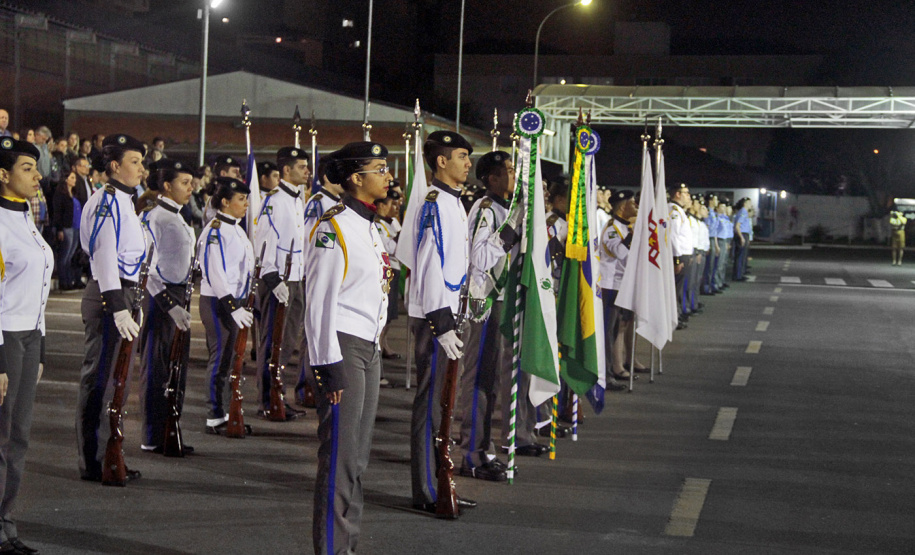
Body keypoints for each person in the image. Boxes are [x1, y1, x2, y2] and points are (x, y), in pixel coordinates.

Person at [304, 141, 393, 555]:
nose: (388, 175)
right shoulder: (332, 226)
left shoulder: (371, 227)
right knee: (340, 457)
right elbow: (319, 300)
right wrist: (327, 366)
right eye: (380, 168)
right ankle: (332, 550)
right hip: (341, 346)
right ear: (357, 178)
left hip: (368, 346)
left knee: (356, 458)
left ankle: (346, 544)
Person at [406, 130, 476, 514]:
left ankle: (439, 480)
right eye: (462, 156)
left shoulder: (452, 203)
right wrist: (441, 322)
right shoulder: (435, 202)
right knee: (431, 404)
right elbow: (431, 263)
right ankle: (426, 488)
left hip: (447, 313)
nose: (468, 163)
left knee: (444, 404)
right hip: (437, 318)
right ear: (441, 162)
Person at [76, 133, 149, 484]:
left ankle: (109, 453)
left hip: (123, 295)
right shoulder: (106, 201)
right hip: (109, 295)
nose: (141, 168)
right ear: (115, 166)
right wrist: (119, 306)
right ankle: (93, 459)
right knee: (100, 380)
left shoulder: (124, 201)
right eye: (134, 162)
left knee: (116, 382)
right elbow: (105, 255)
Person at [0, 137, 52, 555]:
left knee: (18, 437)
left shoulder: (25, 217)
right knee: (2, 437)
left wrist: (43, 343)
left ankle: (6, 522)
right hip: (5, 340)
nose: (37, 176)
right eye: (26, 169)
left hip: (29, 337)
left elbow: (36, 289)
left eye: (36, 168)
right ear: (2, 175)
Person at [458, 150, 523, 483]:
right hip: (484, 300)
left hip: (501, 298)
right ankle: (471, 452)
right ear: (492, 178)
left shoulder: (504, 209)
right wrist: (510, 232)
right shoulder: (486, 210)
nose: (515, 175)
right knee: (478, 379)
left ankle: (484, 448)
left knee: (492, 380)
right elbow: (480, 256)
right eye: (509, 171)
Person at [137, 159, 196, 453]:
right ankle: (152, 434)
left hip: (179, 294)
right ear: (166, 186)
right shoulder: (155, 218)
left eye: (190, 182)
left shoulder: (178, 217)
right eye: (184, 182)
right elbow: (145, 269)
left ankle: (169, 431)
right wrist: (168, 304)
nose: (191, 187)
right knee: (157, 367)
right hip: (160, 299)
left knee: (176, 368)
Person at [253, 147, 309, 420]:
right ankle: (268, 399)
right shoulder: (275, 200)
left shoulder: (297, 199)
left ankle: (279, 393)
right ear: (286, 170)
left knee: (286, 342)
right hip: (279, 279)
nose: (307, 172)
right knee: (272, 342)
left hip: (296, 278)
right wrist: (274, 280)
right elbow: (264, 241)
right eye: (302, 167)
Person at [197, 177, 254, 434]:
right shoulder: (216, 230)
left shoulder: (237, 228)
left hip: (235, 303)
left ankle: (228, 413)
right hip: (219, 303)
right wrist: (233, 306)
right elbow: (215, 272)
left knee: (231, 360)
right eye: (241, 199)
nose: (246, 204)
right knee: (220, 360)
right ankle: (214, 416)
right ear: (225, 202)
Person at [598, 190, 639, 388]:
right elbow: (619, 252)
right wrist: (631, 234)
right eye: (632, 203)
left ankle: (612, 369)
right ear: (622, 207)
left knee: (615, 330)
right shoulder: (612, 228)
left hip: (620, 284)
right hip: (609, 285)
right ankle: (605, 375)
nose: (636, 207)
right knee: (607, 331)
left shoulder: (623, 227)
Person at [374, 186, 402, 363]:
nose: (396, 207)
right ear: (381, 206)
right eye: (392, 204)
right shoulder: (378, 225)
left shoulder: (392, 222)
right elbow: (391, 248)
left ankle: (385, 346)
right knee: (383, 316)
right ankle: (379, 351)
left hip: (395, 269)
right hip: (387, 271)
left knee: (390, 315)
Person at [52, 170, 83, 290]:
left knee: (70, 256)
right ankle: (63, 281)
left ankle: (69, 280)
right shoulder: (60, 194)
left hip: (75, 227)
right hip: (66, 227)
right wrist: (59, 229)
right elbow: (58, 212)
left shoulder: (73, 194)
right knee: (64, 255)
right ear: (66, 179)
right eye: (72, 178)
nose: (74, 180)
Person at [668, 183, 693, 329]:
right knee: (674, 289)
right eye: (686, 193)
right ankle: (672, 319)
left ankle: (675, 316)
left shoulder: (678, 210)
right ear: (677, 194)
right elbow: (673, 236)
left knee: (677, 289)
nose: (688, 196)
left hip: (682, 255)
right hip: (678, 256)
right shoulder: (674, 211)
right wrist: (676, 259)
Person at [732, 198, 751, 281]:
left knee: (742, 256)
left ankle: (740, 274)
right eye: (749, 203)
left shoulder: (743, 211)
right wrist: (741, 237)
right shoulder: (743, 211)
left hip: (744, 234)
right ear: (745, 203)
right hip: (742, 234)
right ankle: (738, 275)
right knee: (740, 256)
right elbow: (737, 225)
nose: (751, 205)